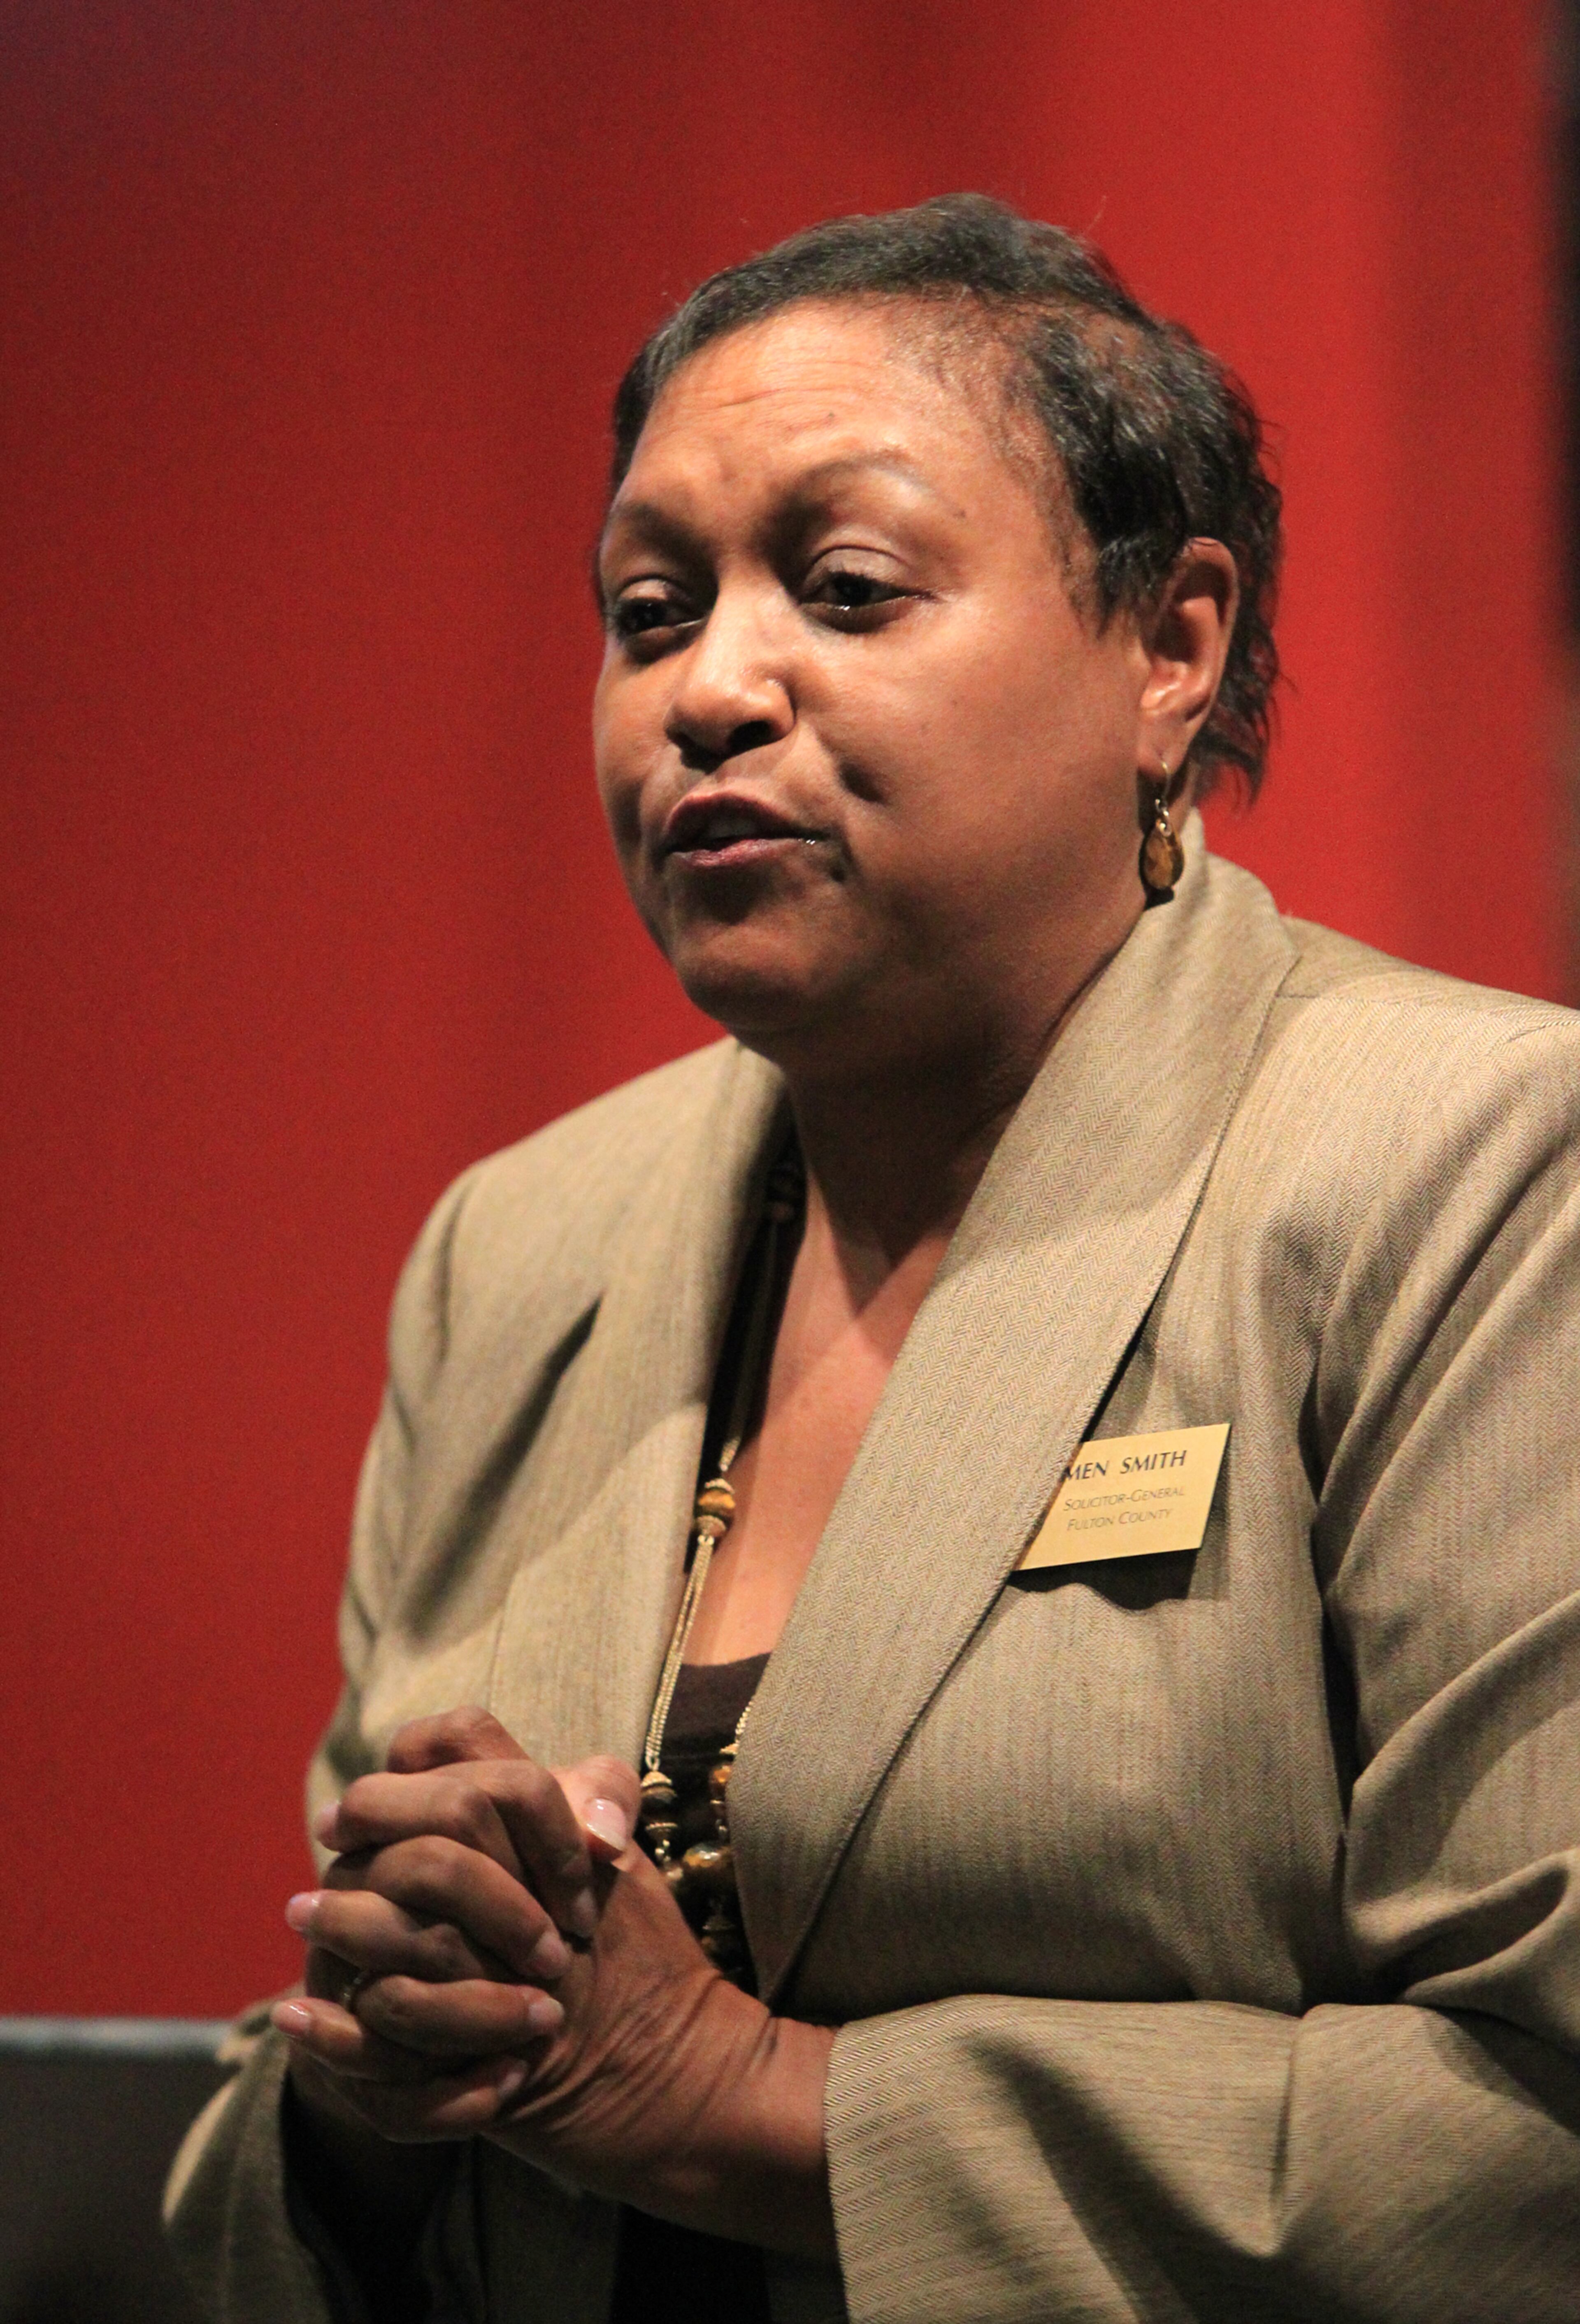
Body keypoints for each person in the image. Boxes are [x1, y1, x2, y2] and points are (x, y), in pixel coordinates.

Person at [166, 194, 1580, 2323]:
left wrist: (734, 2095)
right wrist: (397, 2060)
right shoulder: (520, 1251)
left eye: (844, 588)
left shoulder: (1467, 1166)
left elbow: (1532, 2133)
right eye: (650, 614)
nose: (713, 689)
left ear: (1169, 649)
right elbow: (296, 2164)